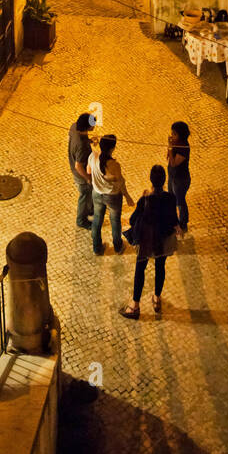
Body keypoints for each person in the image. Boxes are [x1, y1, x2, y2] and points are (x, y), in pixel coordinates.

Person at [120, 165, 179, 320]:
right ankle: (157, 298)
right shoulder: (171, 198)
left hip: (147, 240)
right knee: (160, 267)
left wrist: (143, 200)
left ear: (151, 180)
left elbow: (133, 220)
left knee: (140, 269)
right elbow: (174, 218)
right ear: (165, 180)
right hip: (163, 239)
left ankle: (135, 305)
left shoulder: (146, 199)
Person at [88, 134, 134, 255]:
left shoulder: (93, 156)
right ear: (112, 149)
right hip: (112, 196)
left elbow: (88, 170)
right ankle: (118, 247)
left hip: (97, 193)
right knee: (115, 221)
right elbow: (120, 183)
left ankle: (97, 248)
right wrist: (128, 197)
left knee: (97, 220)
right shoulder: (114, 165)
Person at [68, 111, 96, 229]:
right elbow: (78, 166)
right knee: (84, 196)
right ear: (87, 127)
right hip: (81, 176)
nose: (94, 126)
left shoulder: (74, 126)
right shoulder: (82, 145)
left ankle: (90, 210)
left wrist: (89, 140)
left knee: (89, 193)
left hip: (78, 169)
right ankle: (81, 220)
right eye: (92, 124)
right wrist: (88, 178)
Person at [167, 120, 192, 233]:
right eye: (172, 133)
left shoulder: (184, 148)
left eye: (174, 134)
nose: (172, 136)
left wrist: (170, 147)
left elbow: (173, 163)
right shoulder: (177, 144)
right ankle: (173, 221)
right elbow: (168, 158)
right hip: (172, 177)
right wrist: (170, 146)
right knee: (172, 199)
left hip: (180, 180)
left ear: (181, 135)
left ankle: (183, 223)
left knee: (180, 202)